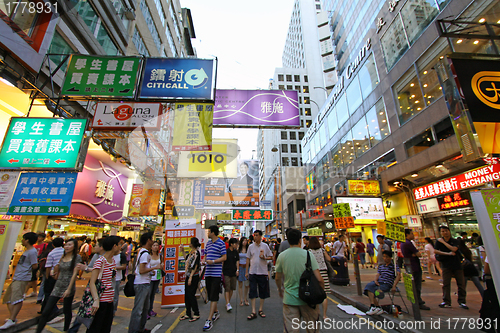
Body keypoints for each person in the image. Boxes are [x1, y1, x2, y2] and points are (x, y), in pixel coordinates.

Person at [275, 229, 323, 333]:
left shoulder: (282, 256)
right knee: (313, 330)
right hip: (309, 299)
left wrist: (280, 289)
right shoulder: (308, 255)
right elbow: (319, 279)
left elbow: (278, 277)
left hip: (290, 299)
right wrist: (319, 293)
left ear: (288, 241)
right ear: (300, 240)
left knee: (291, 330)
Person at [36, 239, 81, 332]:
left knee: (67, 310)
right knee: (46, 311)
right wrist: (54, 272)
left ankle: (66, 329)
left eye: (69, 245)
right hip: (58, 285)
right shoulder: (63, 256)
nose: (67, 247)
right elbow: (58, 270)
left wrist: (69, 289)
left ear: (74, 247)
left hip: (69, 285)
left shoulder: (77, 257)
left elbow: (74, 274)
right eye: (66, 245)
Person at [0, 232, 38, 330]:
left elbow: (35, 265)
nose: (22, 240)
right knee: (8, 298)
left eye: (23, 239)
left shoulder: (32, 252)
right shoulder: (27, 250)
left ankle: (12, 319)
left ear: (27, 240)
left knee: (17, 299)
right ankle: (12, 318)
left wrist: (27, 272)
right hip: (17, 277)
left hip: (22, 278)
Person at [67, 239, 104, 333]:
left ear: (102, 247)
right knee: (85, 307)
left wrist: (87, 268)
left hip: (101, 286)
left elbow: (100, 270)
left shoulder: (106, 257)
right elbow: (89, 269)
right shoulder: (96, 256)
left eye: (96, 245)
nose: (94, 247)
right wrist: (87, 268)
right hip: (92, 284)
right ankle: (74, 328)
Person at [86, 236, 121, 333]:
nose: (121, 247)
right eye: (119, 244)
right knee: (96, 328)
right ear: (114, 246)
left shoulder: (112, 261)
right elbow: (92, 282)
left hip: (109, 301)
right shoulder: (100, 261)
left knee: (106, 328)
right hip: (100, 301)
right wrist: (96, 300)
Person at [128, 233, 160, 333]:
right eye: (151, 240)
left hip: (145, 283)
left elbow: (143, 269)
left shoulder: (143, 252)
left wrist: (150, 271)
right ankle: (134, 330)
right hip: (141, 284)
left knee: (145, 309)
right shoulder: (145, 254)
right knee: (138, 310)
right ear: (148, 240)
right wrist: (154, 268)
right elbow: (141, 270)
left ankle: (141, 329)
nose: (153, 241)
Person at [434, 225, 468, 309]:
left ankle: (462, 301)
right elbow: (435, 251)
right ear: (440, 233)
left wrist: (443, 242)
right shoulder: (438, 242)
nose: (445, 232)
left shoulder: (455, 241)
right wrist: (447, 254)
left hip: (457, 264)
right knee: (446, 283)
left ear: (449, 231)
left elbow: (454, 249)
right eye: (443, 231)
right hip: (445, 265)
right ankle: (446, 301)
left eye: (446, 230)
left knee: (461, 283)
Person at [202, 225, 227, 331]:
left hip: (216, 274)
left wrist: (213, 261)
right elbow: (206, 255)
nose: (207, 233)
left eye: (208, 231)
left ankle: (209, 320)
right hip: (208, 273)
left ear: (213, 232)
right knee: (210, 295)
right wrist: (204, 260)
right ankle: (216, 312)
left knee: (214, 296)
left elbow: (224, 257)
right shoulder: (208, 243)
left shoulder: (221, 243)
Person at [246, 230, 273, 320]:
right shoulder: (250, 247)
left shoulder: (265, 246)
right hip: (253, 272)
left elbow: (271, 256)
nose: (255, 237)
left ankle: (260, 309)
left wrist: (265, 258)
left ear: (261, 236)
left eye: (257, 235)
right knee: (252, 291)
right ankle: (253, 311)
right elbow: (248, 259)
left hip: (263, 272)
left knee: (263, 292)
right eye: (254, 235)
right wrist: (247, 271)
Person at [364, 250, 401, 315]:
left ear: (390, 258)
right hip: (379, 282)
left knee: (373, 291)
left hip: (386, 283)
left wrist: (394, 286)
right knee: (368, 287)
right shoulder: (381, 266)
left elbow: (398, 275)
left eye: (387, 257)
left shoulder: (394, 267)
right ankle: (376, 306)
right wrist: (375, 280)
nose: (385, 258)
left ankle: (375, 307)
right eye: (384, 257)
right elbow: (378, 274)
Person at [401, 229, 430, 310]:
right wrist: (414, 254)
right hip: (414, 267)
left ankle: (417, 301)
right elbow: (419, 254)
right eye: (411, 234)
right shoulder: (408, 243)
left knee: (414, 285)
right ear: (407, 234)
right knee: (416, 285)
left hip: (410, 266)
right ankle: (418, 302)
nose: (413, 235)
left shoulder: (403, 243)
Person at [308, 237, 331, 318]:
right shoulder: (322, 250)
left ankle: (316, 312)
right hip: (323, 272)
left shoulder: (309, 252)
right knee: (324, 293)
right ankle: (325, 315)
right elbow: (329, 259)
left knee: (315, 292)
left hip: (314, 273)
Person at [179, 237, 201, 322]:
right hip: (188, 275)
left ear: (192, 244)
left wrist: (191, 277)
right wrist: (183, 251)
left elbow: (195, 266)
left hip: (193, 276)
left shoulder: (196, 253)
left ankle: (196, 313)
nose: (189, 243)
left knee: (191, 294)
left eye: (190, 242)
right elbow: (186, 259)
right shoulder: (191, 252)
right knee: (187, 294)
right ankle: (188, 313)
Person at [40, 237, 64, 313]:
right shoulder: (64, 252)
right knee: (54, 293)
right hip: (61, 275)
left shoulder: (51, 253)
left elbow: (48, 266)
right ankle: (46, 309)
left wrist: (47, 276)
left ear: (53, 245)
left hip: (52, 275)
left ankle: (47, 310)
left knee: (48, 293)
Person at [25, 233, 46, 298]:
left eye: (40, 237)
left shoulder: (45, 245)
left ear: (43, 238)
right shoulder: (34, 246)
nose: (38, 238)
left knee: (31, 277)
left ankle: (24, 293)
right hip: (32, 262)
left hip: (39, 263)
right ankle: (34, 291)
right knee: (33, 277)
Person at [223, 238, 239, 312]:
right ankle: (227, 303)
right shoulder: (226, 252)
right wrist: (221, 271)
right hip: (226, 272)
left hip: (233, 272)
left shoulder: (236, 252)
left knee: (232, 288)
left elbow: (237, 261)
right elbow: (223, 261)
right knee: (227, 287)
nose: (236, 245)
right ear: (231, 244)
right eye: (235, 243)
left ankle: (228, 302)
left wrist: (237, 270)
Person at [113, 238, 128, 315]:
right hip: (107, 278)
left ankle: (113, 311)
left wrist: (113, 268)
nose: (120, 246)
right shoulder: (109, 254)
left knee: (115, 297)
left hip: (117, 278)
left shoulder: (121, 255)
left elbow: (123, 267)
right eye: (119, 244)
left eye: (120, 244)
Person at [147, 241, 162, 319]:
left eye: (157, 245)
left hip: (157, 277)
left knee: (153, 294)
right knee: (148, 294)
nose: (155, 247)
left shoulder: (160, 256)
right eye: (154, 245)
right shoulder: (148, 256)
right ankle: (145, 311)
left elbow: (161, 264)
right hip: (150, 277)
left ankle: (150, 309)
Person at [237, 236, 250, 306]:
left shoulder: (248, 249)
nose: (245, 242)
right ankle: (241, 299)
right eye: (243, 241)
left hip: (247, 267)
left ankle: (246, 299)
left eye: (246, 241)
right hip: (240, 267)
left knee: (247, 284)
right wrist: (237, 269)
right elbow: (237, 260)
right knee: (240, 284)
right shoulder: (238, 250)